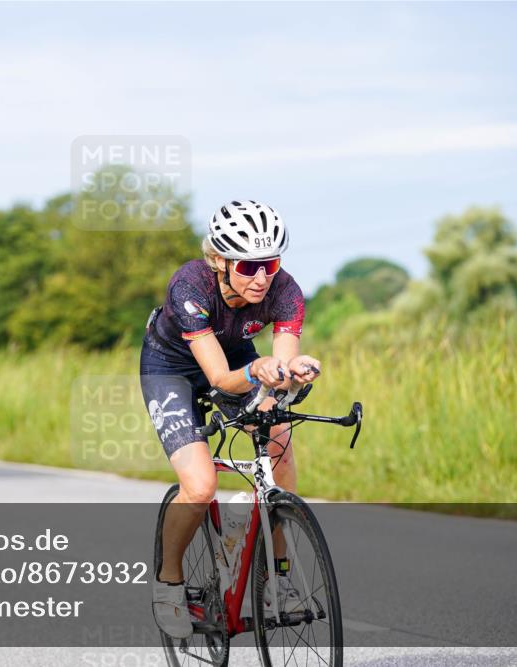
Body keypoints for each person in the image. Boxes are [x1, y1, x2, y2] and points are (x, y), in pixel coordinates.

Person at [141, 200, 321, 639]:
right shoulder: (190, 285)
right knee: (200, 485)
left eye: (271, 263)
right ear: (219, 260)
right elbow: (219, 378)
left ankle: (276, 576)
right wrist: (257, 371)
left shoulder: (286, 291)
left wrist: (292, 371)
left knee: (278, 430)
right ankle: (168, 582)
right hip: (174, 370)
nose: (262, 278)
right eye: (248, 267)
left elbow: (278, 368)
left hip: (236, 360)